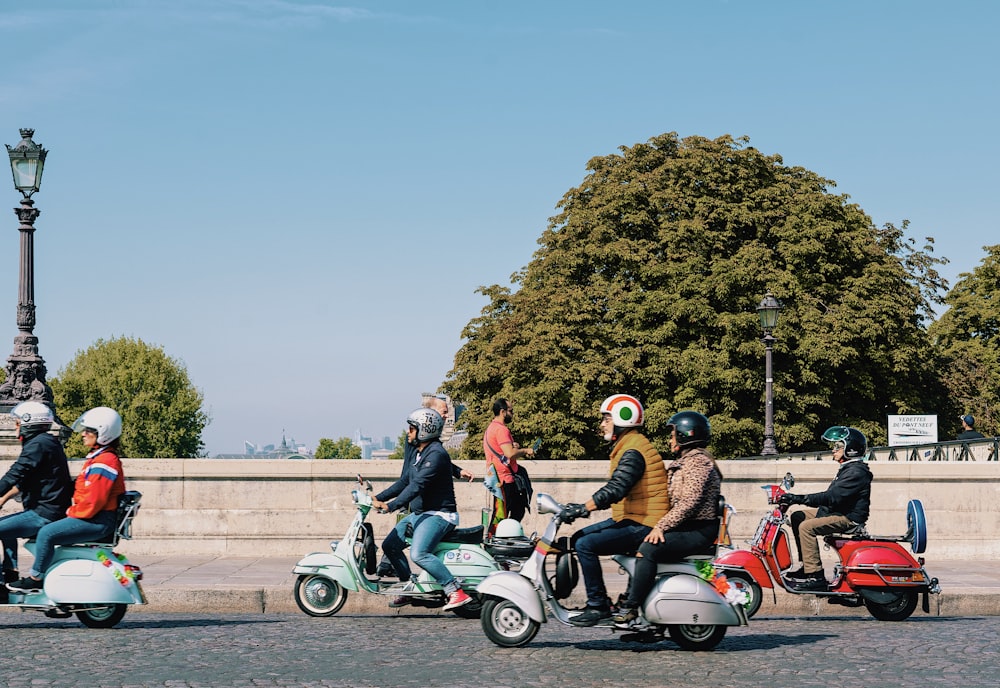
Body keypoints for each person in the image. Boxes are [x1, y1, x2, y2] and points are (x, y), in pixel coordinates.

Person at [562, 394, 669, 627]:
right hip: (636, 517)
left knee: (584, 544)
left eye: (606, 419)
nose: (602, 424)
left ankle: (598, 605)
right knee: (579, 537)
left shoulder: (633, 451)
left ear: (623, 419)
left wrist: (584, 508)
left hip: (646, 523)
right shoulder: (630, 445)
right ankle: (605, 602)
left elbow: (617, 488)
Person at [612, 411, 722, 623]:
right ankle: (631, 598)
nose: (669, 439)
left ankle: (632, 607)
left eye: (673, 434)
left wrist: (661, 526)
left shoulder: (698, 463)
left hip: (698, 530)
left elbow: (689, 503)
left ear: (684, 435)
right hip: (686, 527)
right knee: (638, 541)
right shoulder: (686, 461)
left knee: (648, 548)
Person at [8, 407, 127, 593]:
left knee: (46, 533)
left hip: (96, 520)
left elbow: (93, 502)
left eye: (89, 431)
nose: (83, 434)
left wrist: (69, 514)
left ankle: (36, 578)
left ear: (103, 433)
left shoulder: (105, 462)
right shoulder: (100, 459)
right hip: (96, 518)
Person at [372, 408, 472, 611]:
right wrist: (377, 498)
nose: (408, 432)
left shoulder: (436, 454)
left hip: (440, 515)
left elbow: (418, 486)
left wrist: (391, 506)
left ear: (424, 430)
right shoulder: (420, 453)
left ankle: (454, 590)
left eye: (411, 428)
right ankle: (410, 586)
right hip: (421, 514)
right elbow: (405, 482)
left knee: (419, 553)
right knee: (390, 545)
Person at [778, 426, 873, 592]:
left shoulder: (856, 472)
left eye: (838, 446)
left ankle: (816, 576)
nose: (833, 450)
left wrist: (798, 498)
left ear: (850, 450)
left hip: (848, 517)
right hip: (837, 511)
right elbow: (832, 499)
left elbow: (831, 497)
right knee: (798, 516)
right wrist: (795, 500)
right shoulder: (848, 468)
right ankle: (806, 567)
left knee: (806, 527)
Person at [0, 401, 73, 594]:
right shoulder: (45, 442)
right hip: (49, 510)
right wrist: (3, 499)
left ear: (28, 423)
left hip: (44, 515)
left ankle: (5, 577)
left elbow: (14, 474)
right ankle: (9, 572)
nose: (15, 427)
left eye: (17, 423)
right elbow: (23, 481)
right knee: (5, 528)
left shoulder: (38, 445)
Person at [483, 398, 535, 531]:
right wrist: (525, 450)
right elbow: (510, 454)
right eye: (511, 411)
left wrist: (513, 446)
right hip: (504, 480)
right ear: (503, 412)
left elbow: (504, 449)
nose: (513, 413)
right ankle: (496, 540)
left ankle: (506, 535)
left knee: (515, 509)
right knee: (501, 515)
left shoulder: (491, 428)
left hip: (498, 478)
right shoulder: (501, 430)